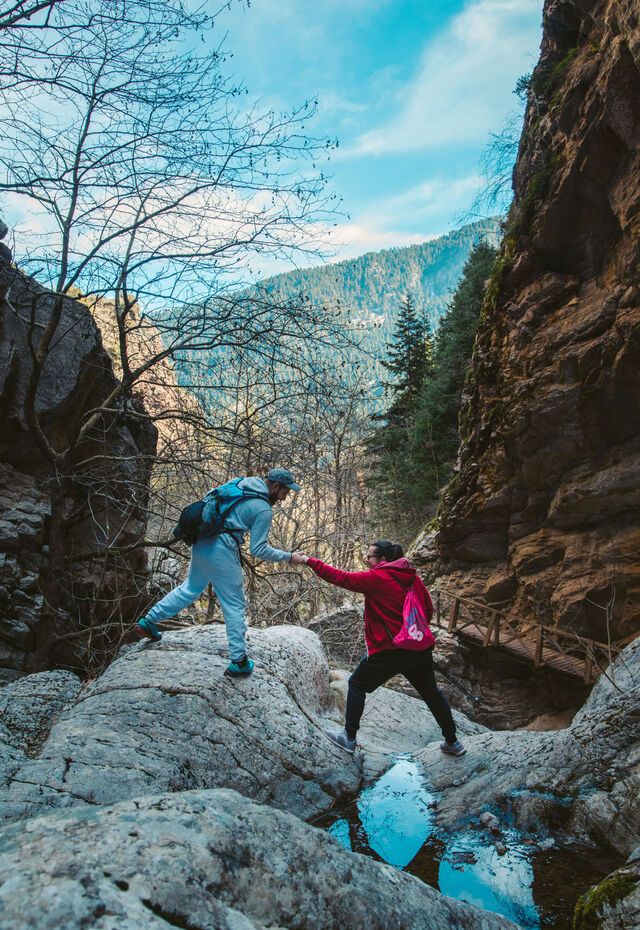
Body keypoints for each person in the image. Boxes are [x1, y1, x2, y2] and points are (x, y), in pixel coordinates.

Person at [291, 540, 465, 756]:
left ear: (382, 560)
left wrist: (308, 560)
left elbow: (340, 577)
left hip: (390, 650)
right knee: (431, 693)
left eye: (370, 556)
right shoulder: (412, 578)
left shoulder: (376, 577)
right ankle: (453, 742)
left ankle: (348, 738)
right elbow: (427, 609)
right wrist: (411, 634)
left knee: (356, 684)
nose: (366, 559)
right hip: (418, 648)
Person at [135, 468, 301, 678]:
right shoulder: (263, 509)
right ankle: (239, 661)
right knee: (235, 604)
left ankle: (148, 621)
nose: (285, 498)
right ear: (276, 486)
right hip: (222, 548)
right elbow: (258, 549)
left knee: (190, 588)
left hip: (201, 541)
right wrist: (289, 557)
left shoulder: (240, 484)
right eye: (285, 492)